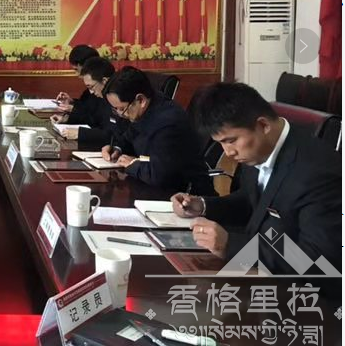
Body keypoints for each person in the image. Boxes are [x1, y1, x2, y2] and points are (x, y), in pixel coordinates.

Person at [171, 83, 341, 276]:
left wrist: (231, 245)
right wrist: (202, 206)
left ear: (263, 125)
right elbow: (253, 202)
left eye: (231, 141)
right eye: (221, 143)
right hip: (260, 271)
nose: (228, 152)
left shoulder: (318, 173)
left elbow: (317, 263)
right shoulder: (258, 148)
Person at [100, 66, 215, 196]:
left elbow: (160, 175)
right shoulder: (147, 108)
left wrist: (133, 164)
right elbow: (130, 136)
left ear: (141, 100)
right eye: (115, 109)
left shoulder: (168, 123)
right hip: (153, 189)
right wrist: (117, 148)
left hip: (184, 196)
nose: (121, 115)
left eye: (122, 109)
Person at [58, 57, 126, 143]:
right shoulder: (102, 99)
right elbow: (94, 120)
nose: (91, 92)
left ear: (104, 81)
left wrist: (81, 134)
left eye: (91, 87)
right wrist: (68, 119)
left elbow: (118, 135)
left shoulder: (121, 99)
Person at [52, 45, 100, 122]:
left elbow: (97, 119)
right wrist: (72, 102)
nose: (77, 74)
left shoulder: (104, 88)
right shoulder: (88, 91)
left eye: (76, 69)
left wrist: (74, 110)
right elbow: (86, 106)